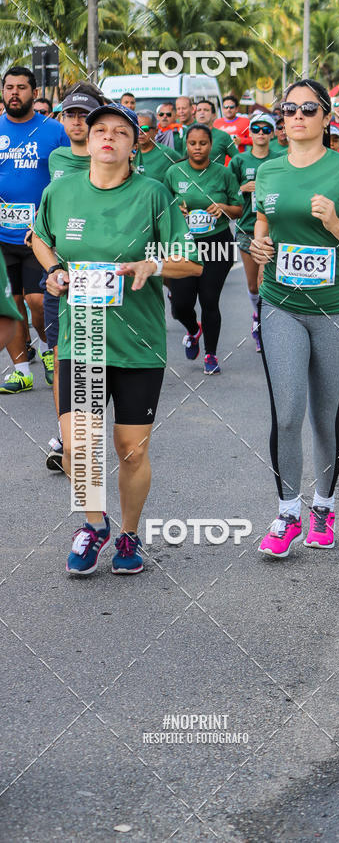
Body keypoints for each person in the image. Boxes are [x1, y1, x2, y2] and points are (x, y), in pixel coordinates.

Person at [31, 102, 202, 576]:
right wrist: (54, 272)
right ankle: (93, 524)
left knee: (132, 449)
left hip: (137, 341)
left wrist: (155, 264)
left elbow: (192, 261)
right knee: (76, 445)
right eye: (99, 129)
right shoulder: (61, 192)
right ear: (87, 139)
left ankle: (128, 534)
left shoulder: (153, 194)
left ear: (134, 144)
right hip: (82, 336)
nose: (107, 137)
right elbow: (39, 237)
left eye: (119, 132)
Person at [250, 78, 339, 558]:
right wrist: (258, 245)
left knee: (324, 418)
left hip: (335, 308)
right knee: (287, 414)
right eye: (290, 108)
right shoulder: (268, 172)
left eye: (309, 108)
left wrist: (334, 222)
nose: (298, 116)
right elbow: (262, 227)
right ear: (282, 119)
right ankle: (287, 512)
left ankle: (323, 507)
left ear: (327, 118)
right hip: (281, 302)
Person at [0, 66, 69, 395]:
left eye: (22, 87)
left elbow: (68, 175)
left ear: (33, 91)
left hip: (37, 235)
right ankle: (21, 370)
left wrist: (50, 211)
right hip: (2, 235)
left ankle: (46, 348)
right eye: (9, 87)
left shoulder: (54, 131)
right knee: (10, 304)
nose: (15, 93)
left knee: (37, 300)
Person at [45, 87, 102, 471]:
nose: (77, 122)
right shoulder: (56, 158)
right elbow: (49, 208)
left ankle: (96, 435)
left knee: (96, 363)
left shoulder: (111, 156)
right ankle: (69, 437)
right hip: (65, 277)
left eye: (85, 115)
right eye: (70, 114)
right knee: (63, 356)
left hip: (107, 280)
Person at [164, 124, 242, 374]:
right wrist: (176, 210)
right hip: (184, 245)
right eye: (192, 143)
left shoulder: (223, 173)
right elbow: (163, 207)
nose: (197, 148)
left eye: (203, 143)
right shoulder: (174, 172)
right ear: (186, 145)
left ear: (211, 145)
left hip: (217, 243)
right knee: (180, 306)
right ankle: (192, 329)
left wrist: (224, 208)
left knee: (209, 300)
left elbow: (239, 208)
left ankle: (211, 355)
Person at [228, 112, 280, 352]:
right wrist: (241, 188)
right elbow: (229, 194)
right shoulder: (239, 161)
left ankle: (267, 325)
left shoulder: (281, 158)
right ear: (250, 132)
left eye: (266, 129)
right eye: (256, 129)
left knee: (266, 280)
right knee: (253, 286)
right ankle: (257, 316)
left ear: (272, 133)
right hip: (248, 227)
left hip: (277, 228)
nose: (261, 133)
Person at [133, 111, 178, 182]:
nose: (140, 132)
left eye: (145, 128)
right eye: (136, 128)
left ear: (156, 131)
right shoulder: (126, 153)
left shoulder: (168, 154)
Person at [194, 99, 238, 165]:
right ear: (195, 115)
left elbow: (238, 159)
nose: (202, 113)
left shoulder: (223, 136)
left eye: (206, 110)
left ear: (214, 115)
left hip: (217, 174)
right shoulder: (188, 136)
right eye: (199, 110)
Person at [0, 248, 22, 348]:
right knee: (16, 301)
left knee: (34, 300)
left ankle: (44, 346)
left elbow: (6, 321)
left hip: (29, 244)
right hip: (5, 242)